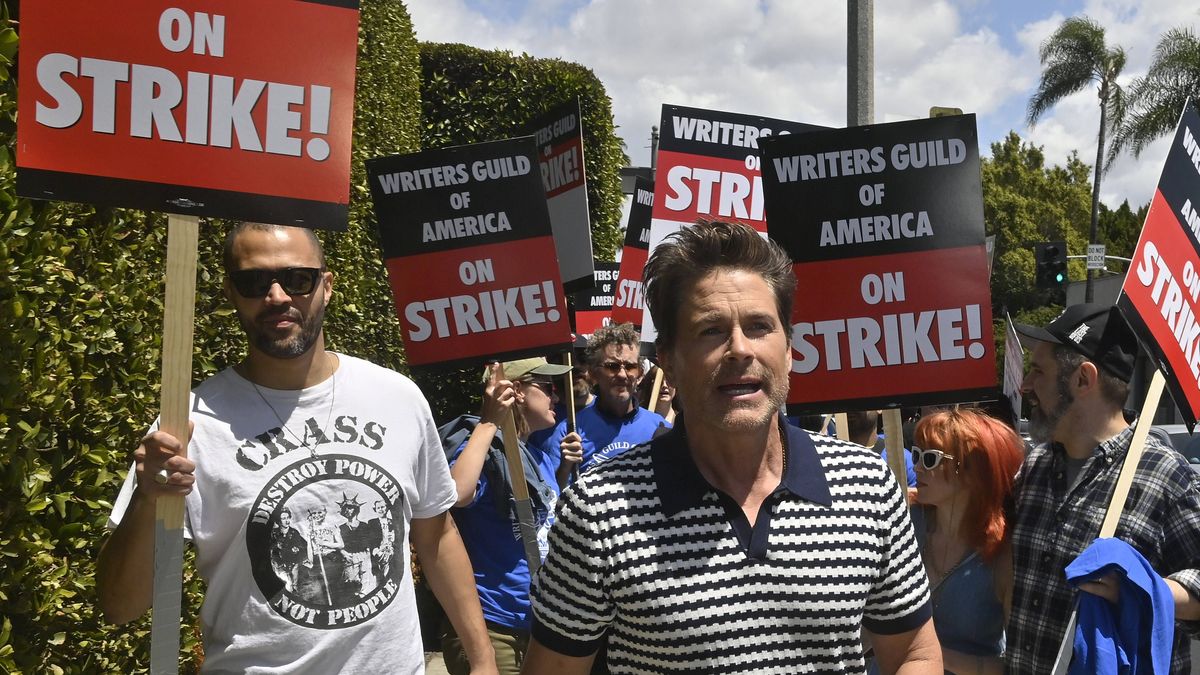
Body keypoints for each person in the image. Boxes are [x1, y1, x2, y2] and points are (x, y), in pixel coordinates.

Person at [523, 219, 940, 674]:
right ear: (668, 360)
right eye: (711, 330)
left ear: (790, 349)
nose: (740, 349)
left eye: (760, 326)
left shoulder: (869, 486)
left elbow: (915, 652)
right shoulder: (598, 509)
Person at [96, 222, 497, 674]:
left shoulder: (398, 397)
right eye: (254, 282)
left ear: (326, 287)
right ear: (230, 292)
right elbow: (119, 606)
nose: (277, 296)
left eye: (297, 279)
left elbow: (436, 533)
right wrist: (148, 500)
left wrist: (483, 661)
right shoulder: (189, 424)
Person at [1009, 303, 1200, 673]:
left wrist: (1144, 589)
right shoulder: (1033, 467)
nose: (1026, 385)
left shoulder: (1163, 474)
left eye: (1038, 371)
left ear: (1083, 379)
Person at [437, 357, 570, 674]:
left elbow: (541, 520)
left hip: (538, 624)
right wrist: (488, 422)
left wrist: (564, 468)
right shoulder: (483, 448)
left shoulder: (536, 454)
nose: (557, 397)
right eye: (548, 388)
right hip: (493, 627)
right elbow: (457, 492)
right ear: (518, 391)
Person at [909, 409, 1023, 674]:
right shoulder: (906, 522)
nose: (916, 467)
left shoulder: (1003, 554)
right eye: (916, 454)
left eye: (930, 459)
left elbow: (1016, 664)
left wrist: (930, 655)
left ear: (974, 471)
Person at [545, 323, 668, 488]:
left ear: (639, 375)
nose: (623, 375)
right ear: (594, 373)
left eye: (630, 367)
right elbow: (555, 501)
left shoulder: (659, 428)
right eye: (612, 367)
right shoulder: (570, 431)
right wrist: (565, 468)